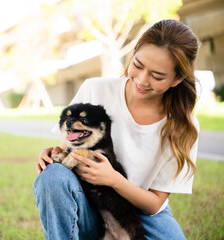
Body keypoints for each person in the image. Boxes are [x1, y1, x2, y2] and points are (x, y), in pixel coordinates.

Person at [33, 19, 200, 240]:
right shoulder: (95, 89)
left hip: (140, 213)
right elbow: (69, 152)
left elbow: (154, 203)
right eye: (138, 65)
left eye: (157, 76)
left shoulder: (182, 125)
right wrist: (53, 155)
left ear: (177, 80)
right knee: (52, 177)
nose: (142, 79)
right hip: (90, 199)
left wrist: (114, 179)